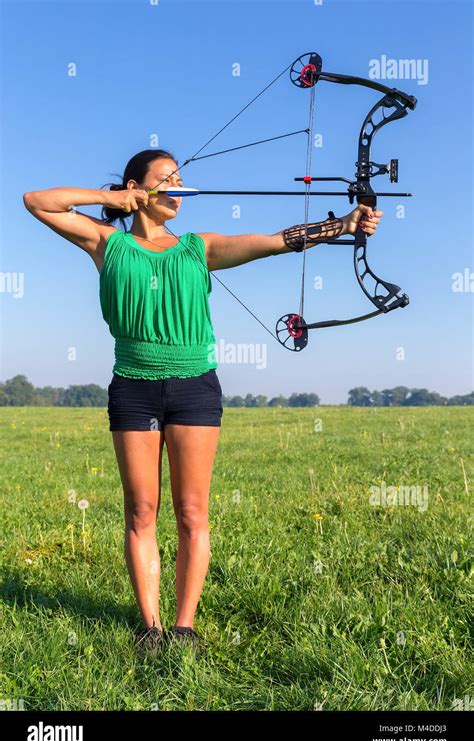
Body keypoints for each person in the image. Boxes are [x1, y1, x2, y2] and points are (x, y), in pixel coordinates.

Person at [23, 149, 381, 656]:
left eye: (180, 179)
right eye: (166, 179)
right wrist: (112, 200)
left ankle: (184, 626)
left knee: (192, 511)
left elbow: (276, 242)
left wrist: (343, 225)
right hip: (133, 384)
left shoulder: (199, 247)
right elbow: (37, 201)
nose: (178, 187)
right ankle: (150, 628)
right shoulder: (107, 244)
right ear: (137, 187)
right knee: (141, 511)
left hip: (194, 387)